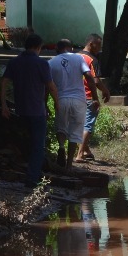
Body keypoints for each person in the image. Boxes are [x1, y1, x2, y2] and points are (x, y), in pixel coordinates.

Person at [0, 32, 58, 187]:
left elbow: (4, 81)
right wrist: (58, 105)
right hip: (37, 111)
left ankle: (33, 172)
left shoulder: (14, 62)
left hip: (20, 109)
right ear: (38, 47)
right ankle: (32, 178)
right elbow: (51, 88)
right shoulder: (42, 64)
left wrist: (4, 104)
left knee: (26, 141)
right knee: (38, 145)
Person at [48, 39, 99, 168]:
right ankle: (69, 165)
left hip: (61, 100)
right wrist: (95, 97)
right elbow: (88, 76)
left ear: (57, 50)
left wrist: (45, 104)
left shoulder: (50, 63)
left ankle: (60, 147)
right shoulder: (79, 59)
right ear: (70, 48)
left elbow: (47, 85)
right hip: (79, 100)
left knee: (61, 128)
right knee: (75, 132)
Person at [76, 33, 110, 163]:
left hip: (75, 94)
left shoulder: (76, 56)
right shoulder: (92, 60)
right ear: (91, 44)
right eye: (98, 45)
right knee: (88, 125)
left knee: (79, 123)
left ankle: (85, 150)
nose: (99, 49)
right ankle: (79, 154)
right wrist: (105, 91)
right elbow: (95, 81)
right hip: (88, 95)